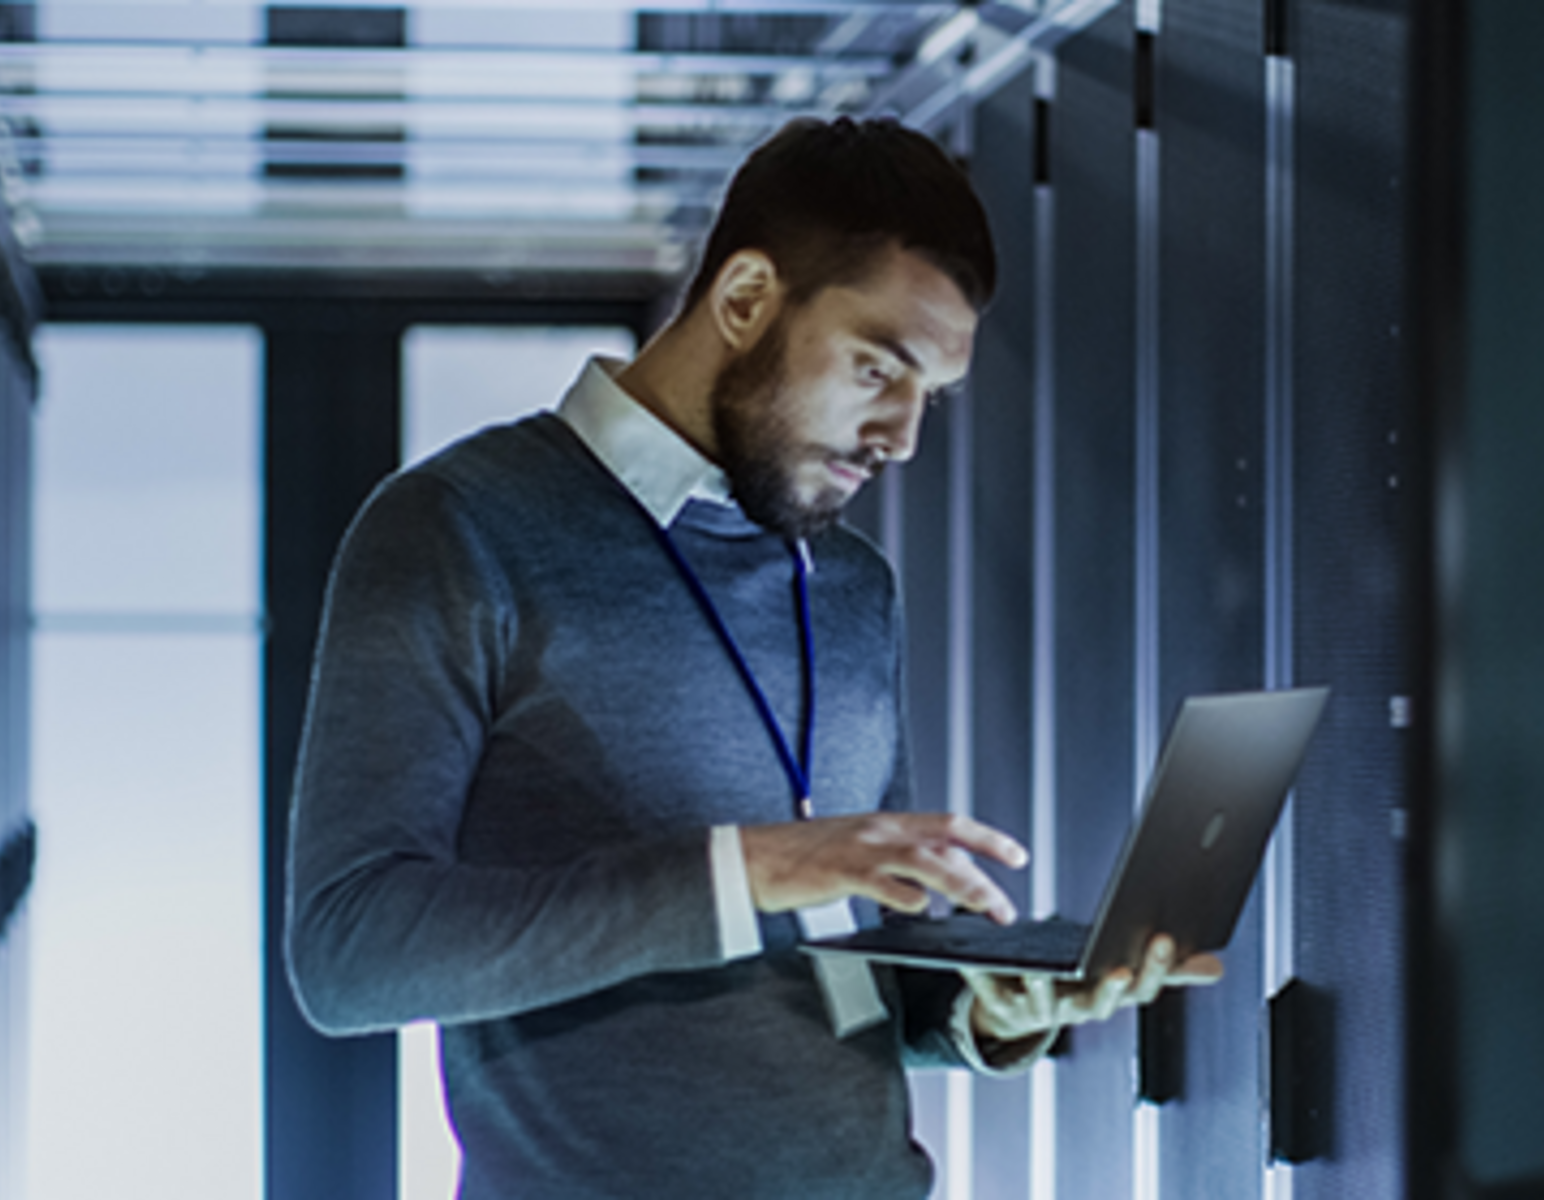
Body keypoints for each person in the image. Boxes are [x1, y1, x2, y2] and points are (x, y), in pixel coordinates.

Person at [284, 116, 1221, 1200]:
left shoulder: (854, 585)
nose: (903, 435)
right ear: (743, 300)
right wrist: (748, 869)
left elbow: (853, 963)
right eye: (879, 367)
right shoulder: (456, 529)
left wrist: (981, 1009)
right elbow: (349, 954)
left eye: (931, 394)